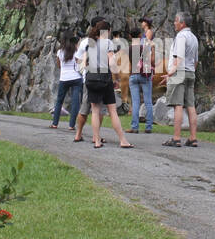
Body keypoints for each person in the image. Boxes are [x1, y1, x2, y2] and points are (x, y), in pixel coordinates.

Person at [76, 19, 134, 149]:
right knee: (112, 111)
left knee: (95, 112)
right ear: (106, 31)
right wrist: (117, 78)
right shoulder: (107, 43)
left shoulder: (89, 43)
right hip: (104, 79)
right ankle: (123, 140)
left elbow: (83, 63)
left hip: (91, 79)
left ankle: (96, 141)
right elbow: (112, 63)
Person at [162, 11, 199, 147]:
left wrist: (171, 72)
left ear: (182, 23)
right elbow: (195, 61)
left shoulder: (181, 36)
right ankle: (193, 137)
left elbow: (179, 57)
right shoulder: (194, 38)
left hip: (179, 73)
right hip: (190, 73)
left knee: (178, 105)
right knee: (190, 105)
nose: (174, 23)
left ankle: (176, 138)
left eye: (176, 20)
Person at [50, 32, 83, 130]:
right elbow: (80, 63)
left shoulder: (60, 52)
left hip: (64, 78)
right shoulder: (76, 51)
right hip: (76, 78)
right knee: (75, 102)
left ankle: (55, 123)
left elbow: (59, 65)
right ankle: (71, 125)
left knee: (59, 101)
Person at [128, 17, 155, 133]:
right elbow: (151, 61)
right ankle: (148, 127)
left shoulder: (130, 48)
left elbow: (131, 63)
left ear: (130, 37)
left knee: (135, 102)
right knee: (148, 101)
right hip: (145, 75)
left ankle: (135, 127)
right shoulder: (145, 46)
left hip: (133, 75)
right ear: (140, 36)